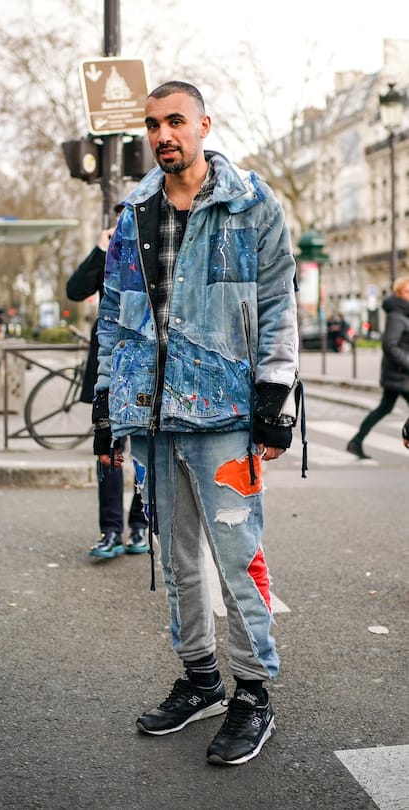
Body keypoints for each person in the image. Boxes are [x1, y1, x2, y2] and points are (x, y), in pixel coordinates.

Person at [92, 81, 300, 765]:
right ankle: (201, 678)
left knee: (236, 559)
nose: (163, 135)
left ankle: (252, 693)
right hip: (153, 415)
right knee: (176, 561)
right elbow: (117, 308)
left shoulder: (250, 204)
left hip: (225, 414)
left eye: (175, 121)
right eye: (152, 125)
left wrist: (274, 395)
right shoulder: (136, 213)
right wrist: (105, 396)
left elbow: (277, 303)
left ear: (204, 124)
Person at [66, 215, 148, 559]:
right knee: (109, 449)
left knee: (146, 449)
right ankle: (111, 529)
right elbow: (75, 290)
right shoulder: (111, 252)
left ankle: (141, 523)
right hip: (110, 363)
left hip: (147, 361)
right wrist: (102, 247)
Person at [347, 276, 409, 459]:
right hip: (399, 374)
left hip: (398, 373)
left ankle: (356, 441)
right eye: (407, 291)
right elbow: (390, 345)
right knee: (384, 408)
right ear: (398, 293)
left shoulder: (403, 313)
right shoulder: (397, 315)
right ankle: (356, 441)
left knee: (384, 407)